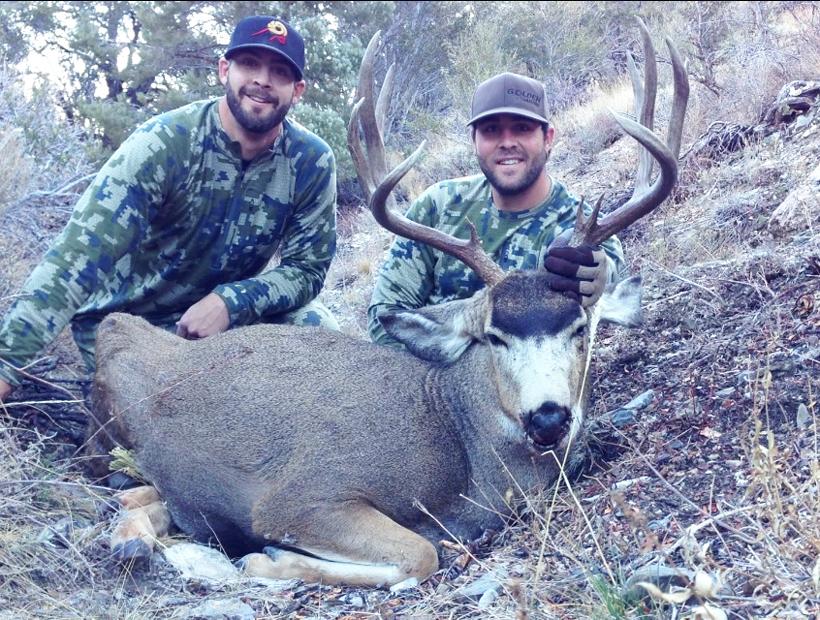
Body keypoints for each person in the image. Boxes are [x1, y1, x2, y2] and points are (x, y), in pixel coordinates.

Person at [0, 15, 338, 402]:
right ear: (224, 70)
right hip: (128, 322)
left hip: (219, 321)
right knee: (172, 411)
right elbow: (79, 256)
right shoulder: (165, 142)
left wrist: (233, 301)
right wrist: (7, 364)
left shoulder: (311, 161)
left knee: (320, 332)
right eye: (249, 65)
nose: (262, 80)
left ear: (297, 90)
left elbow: (307, 270)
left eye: (279, 72)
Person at [368, 72, 626, 347]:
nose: (507, 142)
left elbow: (608, 269)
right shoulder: (437, 206)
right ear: (474, 140)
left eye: (522, 128)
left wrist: (595, 274)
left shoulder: (579, 222)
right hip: (432, 379)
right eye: (491, 130)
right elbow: (387, 317)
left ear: (548, 137)